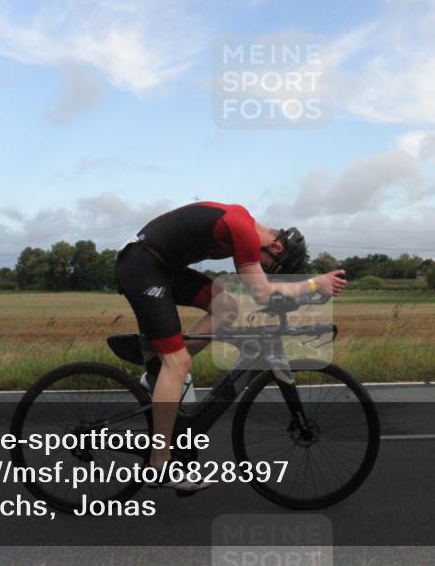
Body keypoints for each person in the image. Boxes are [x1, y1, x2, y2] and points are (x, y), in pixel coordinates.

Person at [114, 201, 347, 492]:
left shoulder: (244, 224)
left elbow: (262, 291)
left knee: (226, 307)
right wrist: (314, 285)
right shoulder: (242, 228)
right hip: (142, 267)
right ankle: (159, 465)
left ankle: (161, 376)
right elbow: (262, 292)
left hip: (160, 266)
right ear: (275, 248)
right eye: (273, 268)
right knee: (178, 363)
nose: (268, 272)